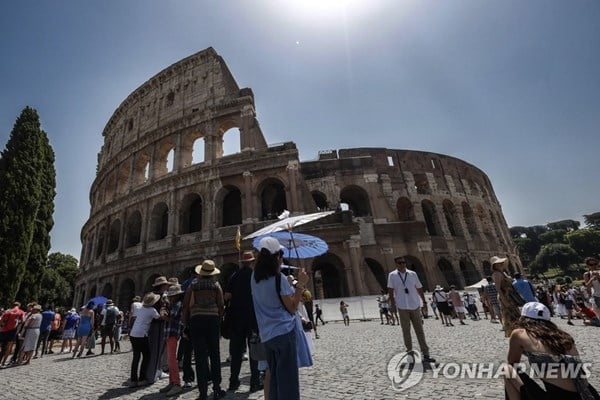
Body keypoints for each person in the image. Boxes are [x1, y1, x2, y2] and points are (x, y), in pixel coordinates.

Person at [250, 236, 311, 400]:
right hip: (284, 333)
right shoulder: (279, 279)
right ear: (276, 257)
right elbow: (292, 308)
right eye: (280, 254)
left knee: (275, 379)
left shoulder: (254, 279)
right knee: (288, 381)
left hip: (267, 335)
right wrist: (300, 285)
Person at [504, 302, 600, 399]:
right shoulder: (564, 336)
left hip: (560, 396)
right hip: (588, 394)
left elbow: (512, 361)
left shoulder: (519, 333)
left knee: (508, 369)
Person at [182, 260, 226, 400]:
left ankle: (202, 392)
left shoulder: (193, 286)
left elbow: (186, 306)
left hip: (196, 321)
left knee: (200, 357)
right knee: (215, 354)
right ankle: (217, 388)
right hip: (212, 321)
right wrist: (219, 318)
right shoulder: (216, 285)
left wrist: (185, 324)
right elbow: (221, 305)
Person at [225, 250, 262, 393]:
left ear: (242, 263)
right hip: (252, 318)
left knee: (236, 352)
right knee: (254, 351)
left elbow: (227, 296)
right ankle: (254, 382)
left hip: (236, 318)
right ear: (252, 262)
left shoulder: (234, 276)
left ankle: (233, 382)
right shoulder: (255, 276)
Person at [387, 255, 435, 363]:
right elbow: (390, 290)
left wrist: (424, 301)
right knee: (406, 331)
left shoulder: (413, 274)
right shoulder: (392, 275)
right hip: (402, 306)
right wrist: (393, 305)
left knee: (420, 330)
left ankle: (426, 354)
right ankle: (409, 354)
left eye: (404, 262)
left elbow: (419, 288)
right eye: (400, 263)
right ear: (396, 264)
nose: (403, 264)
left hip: (414, 304)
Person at [129, 293, 162, 388]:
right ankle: (142, 379)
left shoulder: (139, 308)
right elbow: (160, 318)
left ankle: (133, 380)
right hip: (142, 335)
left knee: (136, 357)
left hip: (133, 334)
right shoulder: (152, 310)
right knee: (146, 356)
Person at [159, 284, 185, 397]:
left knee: (172, 359)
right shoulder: (173, 304)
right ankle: (172, 382)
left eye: (172, 296)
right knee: (170, 359)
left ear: (177, 296)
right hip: (169, 333)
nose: (170, 298)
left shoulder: (178, 304)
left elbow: (172, 317)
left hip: (173, 332)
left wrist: (164, 315)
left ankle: (177, 384)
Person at [146, 276, 170, 383]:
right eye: (166, 285)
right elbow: (164, 311)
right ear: (163, 286)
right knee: (158, 349)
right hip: (159, 324)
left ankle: (154, 371)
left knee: (152, 349)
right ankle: (154, 374)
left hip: (150, 324)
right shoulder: (162, 297)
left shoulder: (150, 296)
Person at [491, 256, 521, 337]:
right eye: (499, 263)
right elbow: (498, 288)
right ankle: (515, 335)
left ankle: (518, 333)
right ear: (495, 265)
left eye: (501, 262)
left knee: (516, 314)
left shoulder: (502, 273)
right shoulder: (496, 274)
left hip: (510, 295)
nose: (501, 264)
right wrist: (504, 300)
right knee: (510, 315)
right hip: (505, 296)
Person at [0, 302, 24, 367]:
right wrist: (16, 322)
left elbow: (1, 320)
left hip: (4, 330)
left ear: (12, 305)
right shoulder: (21, 312)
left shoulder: (8, 311)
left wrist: (3, 325)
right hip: (12, 331)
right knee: (9, 347)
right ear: (19, 306)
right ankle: (3, 362)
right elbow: (22, 321)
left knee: (2, 346)